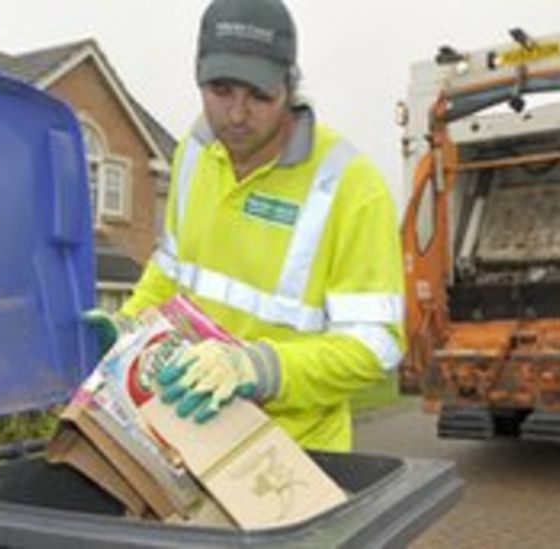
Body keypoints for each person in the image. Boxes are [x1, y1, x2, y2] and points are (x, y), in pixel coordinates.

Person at [87, 0, 404, 452]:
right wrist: (129, 327)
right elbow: (172, 270)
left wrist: (258, 368)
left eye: (259, 95)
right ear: (198, 76)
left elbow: (376, 345)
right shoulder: (194, 153)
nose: (236, 115)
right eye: (221, 90)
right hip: (188, 433)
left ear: (290, 88)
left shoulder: (352, 187)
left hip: (294, 454)